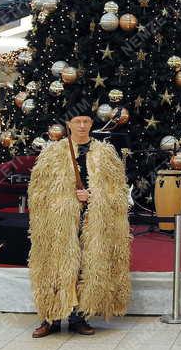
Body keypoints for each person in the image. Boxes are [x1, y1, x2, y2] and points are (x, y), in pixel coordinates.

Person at [28, 111, 131, 337]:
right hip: (59, 222)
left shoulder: (105, 155)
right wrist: (66, 199)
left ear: (92, 123)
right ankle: (50, 317)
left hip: (93, 220)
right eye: (77, 122)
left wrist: (93, 195)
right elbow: (37, 192)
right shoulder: (52, 154)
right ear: (68, 124)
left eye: (86, 121)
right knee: (55, 264)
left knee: (87, 265)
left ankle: (79, 316)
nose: (82, 126)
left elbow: (119, 192)